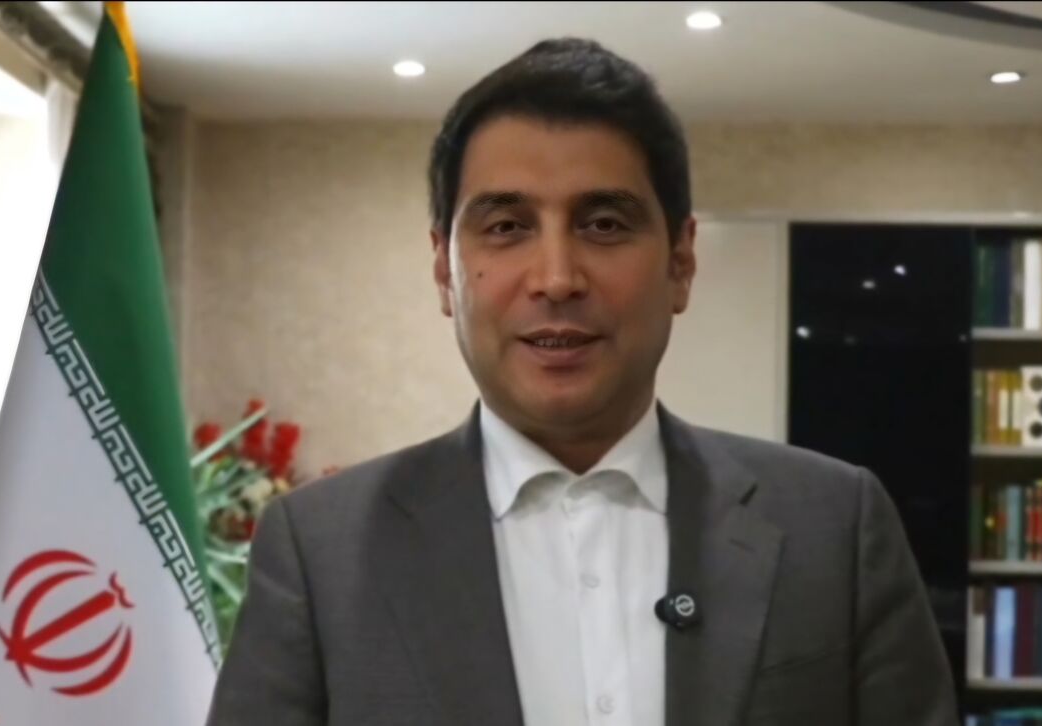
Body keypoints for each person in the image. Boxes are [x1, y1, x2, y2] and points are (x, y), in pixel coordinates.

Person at [205, 38, 956, 726]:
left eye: (603, 224)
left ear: (681, 262)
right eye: (507, 227)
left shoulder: (835, 528)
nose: (557, 278)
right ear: (444, 270)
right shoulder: (320, 553)